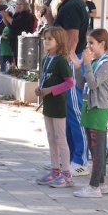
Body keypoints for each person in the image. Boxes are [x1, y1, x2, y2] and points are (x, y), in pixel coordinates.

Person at [40, 0, 91, 176]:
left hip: (69, 62)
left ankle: (80, 160)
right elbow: (60, 34)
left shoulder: (71, 6)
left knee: (73, 112)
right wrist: (50, 17)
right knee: (65, 112)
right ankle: (69, 159)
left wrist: (64, 58)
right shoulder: (71, 4)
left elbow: (72, 38)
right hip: (66, 60)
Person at [70, 28, 108, 198]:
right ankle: (102, 183)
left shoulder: (106, 64)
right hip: (90, 106)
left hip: (99, 108)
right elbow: (81, 83)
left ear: (102, 44)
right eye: (87, 43)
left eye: (92, 43)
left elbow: (93, 84)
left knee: (97, 148)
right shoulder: (96, 61)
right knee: (93, 146)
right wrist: (78, 67)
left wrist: (87, 64)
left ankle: (94, 186)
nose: (88, 46)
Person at [35, 27, 76, 188]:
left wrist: (51, 90)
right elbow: (47, 79)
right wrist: (41, 88)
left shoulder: (61, 60)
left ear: (58, 42)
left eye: (50, 39)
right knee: (51, 137)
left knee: (60, 138)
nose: (46, 41)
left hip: (58, 104)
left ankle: (67, 174)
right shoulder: (46, 59)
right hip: (48, 104)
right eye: (45, 38)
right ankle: (55, 170)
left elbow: (70, 82)